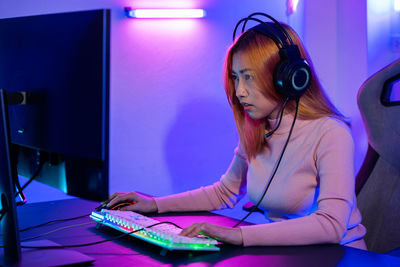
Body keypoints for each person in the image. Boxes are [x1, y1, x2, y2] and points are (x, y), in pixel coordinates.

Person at [105, 15, 367, 249]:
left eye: (249, 77)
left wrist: (238, 235)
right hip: (288, 254)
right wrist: (154, 205)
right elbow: (224, 192)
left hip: (342, 256)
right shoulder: (257, 128)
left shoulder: (331, 132)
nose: (240, 91)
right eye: (235, 77)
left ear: (289, 77)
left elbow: (332, 224)